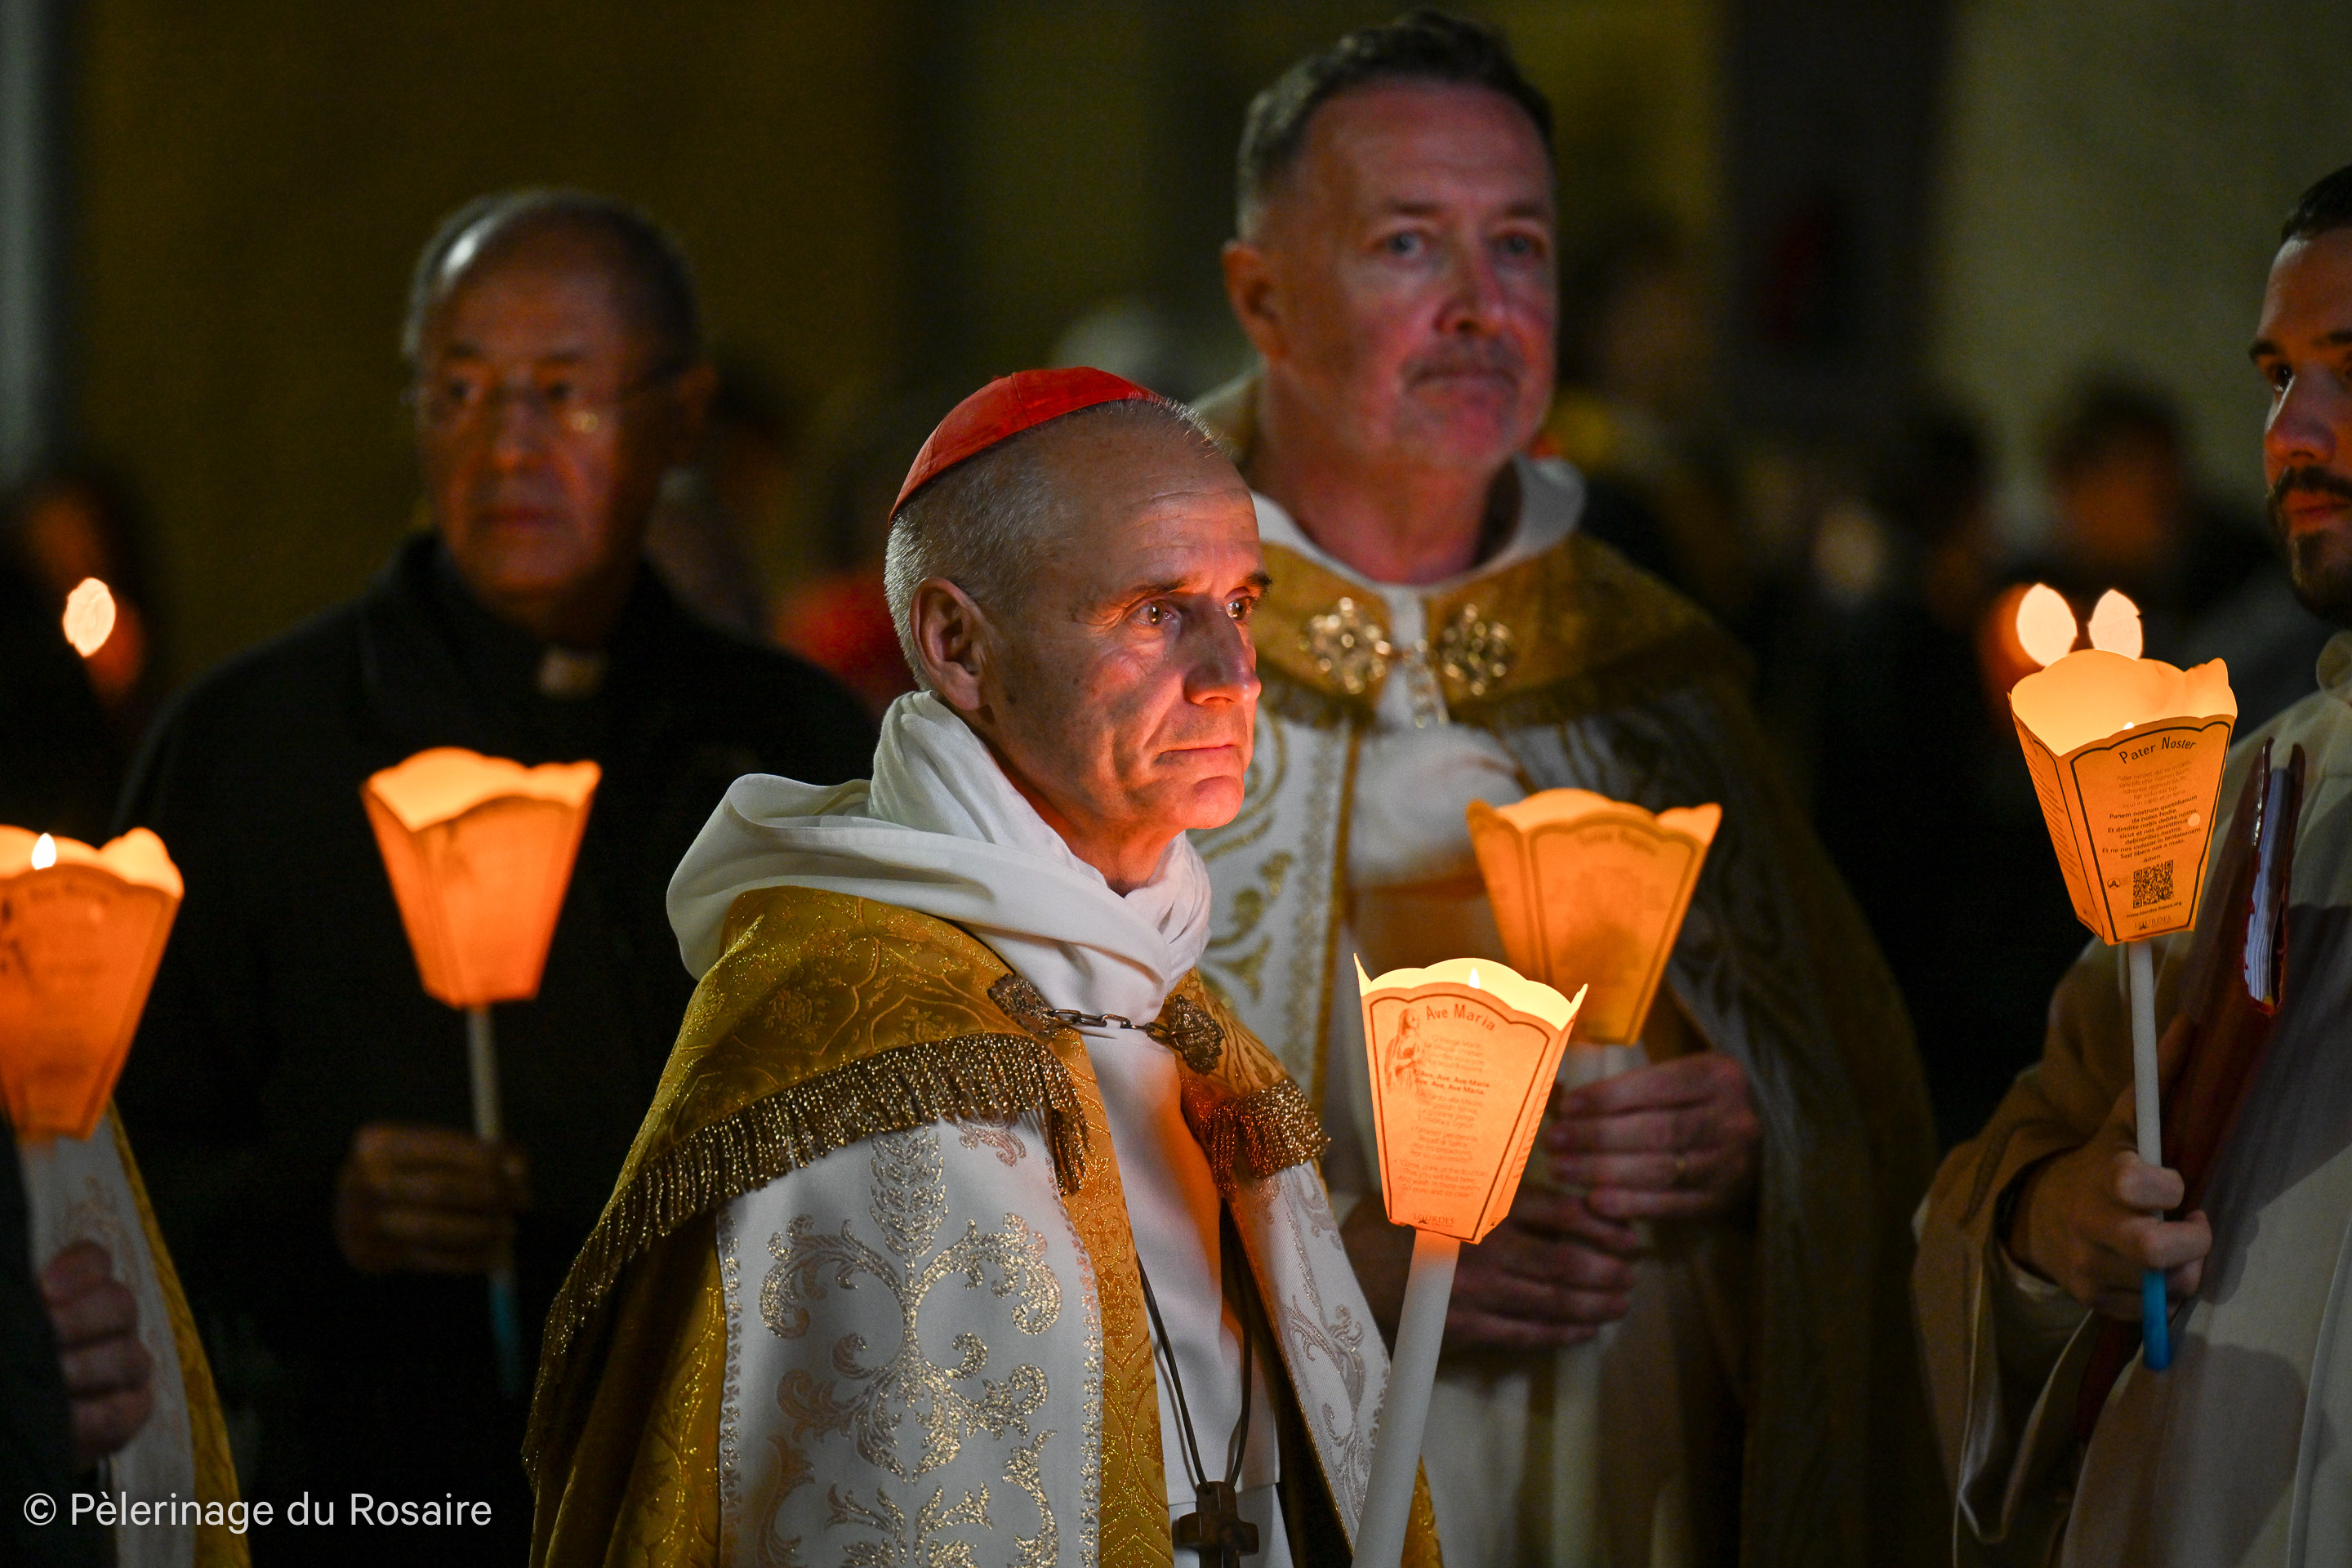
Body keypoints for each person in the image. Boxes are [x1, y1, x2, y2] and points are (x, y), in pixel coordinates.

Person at [1189, 14, 1940, 1566]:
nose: (1482, 306)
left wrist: (1752, 1133)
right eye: (1409, 243)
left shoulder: (1652, 680)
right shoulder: (1122, 644)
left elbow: (1854, 1101)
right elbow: (990, 1160)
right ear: (1261, 296)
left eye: (1519, 245)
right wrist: (1334, 1281)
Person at [527, 368, 1439, 1568]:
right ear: (957, 645)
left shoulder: (1182, 1014)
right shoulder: (842, 1025)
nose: (1234, 672)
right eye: (1156, 612)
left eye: (1239, 604)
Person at [112, 189, 875, 1565]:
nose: (507, 445)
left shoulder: (791, 742)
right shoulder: (254, 743)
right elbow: (125, 1152)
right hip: (367, 1482)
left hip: (727, 1477)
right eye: (460, 391)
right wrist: (322, 1205)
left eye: (564, 394)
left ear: (679, 417)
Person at [1915, 164, 2352, 1567]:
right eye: (2278, 378)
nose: (2292, 433)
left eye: (2351, 370)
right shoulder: (2240, 797)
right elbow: (2020, 1160)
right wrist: (2055, 1225)